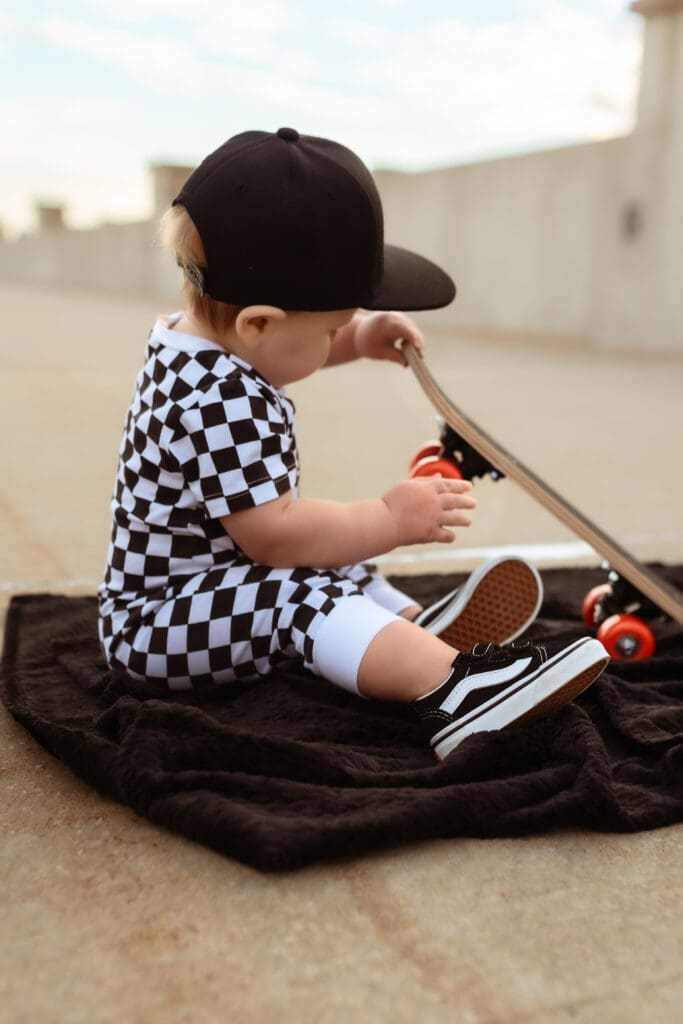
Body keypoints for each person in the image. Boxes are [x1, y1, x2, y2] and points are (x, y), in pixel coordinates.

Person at [98, 127, 609, 760]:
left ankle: (409, 633)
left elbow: (281, 344)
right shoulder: (218, 396)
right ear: (259, 322)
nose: (340, 334)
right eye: (334, 327)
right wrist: (389, 519)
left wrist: (359, 339)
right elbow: (274, 538)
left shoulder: (201, 338)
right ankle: (453, 691)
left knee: (339, 556)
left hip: (210, 587)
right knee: (300, 585)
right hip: (157, 629)